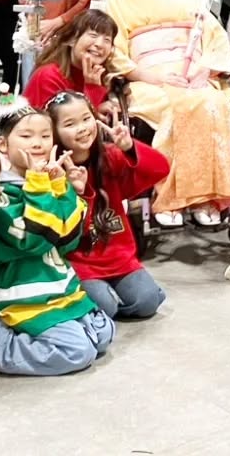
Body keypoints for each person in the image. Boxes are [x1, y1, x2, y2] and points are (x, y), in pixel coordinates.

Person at [102, 0, 230, 228]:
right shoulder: (117, 3)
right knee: (175, 107)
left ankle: (204, 197)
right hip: (148, 80)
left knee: (212, 104)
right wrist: (154, 78)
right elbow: (115, 53)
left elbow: (213, 35)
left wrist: (205, 68)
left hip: (193, 75)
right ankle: (170, 196)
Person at [0, 107, 115, 376]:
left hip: (59, 288)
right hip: (22, 294)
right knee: (77, 352)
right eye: (26, 136)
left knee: (104, 334)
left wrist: (62, 186)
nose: (38, 144)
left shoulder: (48, 181)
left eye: (45, 136)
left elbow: (69, 240)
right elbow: (34, 238)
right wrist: (39, 183)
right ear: (3, 144)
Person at [47, 92, 168, 319]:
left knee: (147, 302)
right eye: (70, 124)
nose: (82, 128)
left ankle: (110, 298)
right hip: (79, 263)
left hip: (119, 258)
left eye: (86, 119)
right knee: (106, 307)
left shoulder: (110, 155)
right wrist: (77, 191)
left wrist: (129, 147)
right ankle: (99, 299)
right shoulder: (53, 171)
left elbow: (161, 168)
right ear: (54, 131)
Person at [23, 9, 118, 111]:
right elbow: (68, 119)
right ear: (72, 39)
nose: (99, 44)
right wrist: (92, 89)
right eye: (93, 35)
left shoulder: (102, 74)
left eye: (107, 40)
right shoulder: (48, 76)